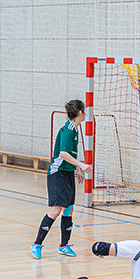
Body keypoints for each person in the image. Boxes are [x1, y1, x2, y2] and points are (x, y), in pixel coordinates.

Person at [31, 99, 90, 259]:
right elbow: (63, 153)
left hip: (68, 172)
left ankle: (64, 246)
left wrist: (76, 169)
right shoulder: (68, 130)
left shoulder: (75, 130)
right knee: (56, 209)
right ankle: (36, 244)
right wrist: (82, 165)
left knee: (69, 208)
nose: (85, 113)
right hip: (57, 173)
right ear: (79, 113)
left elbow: (70, 155)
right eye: (83, 110)